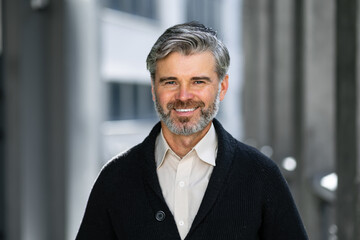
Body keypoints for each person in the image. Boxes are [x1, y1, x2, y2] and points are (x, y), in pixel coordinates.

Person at [76, 22, 308, 240]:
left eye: (198, 82)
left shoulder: (261, 175)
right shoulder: (115, 178)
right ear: (153, 88)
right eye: (170, 82)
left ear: (222, 87)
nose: (184, 96)